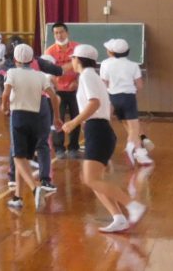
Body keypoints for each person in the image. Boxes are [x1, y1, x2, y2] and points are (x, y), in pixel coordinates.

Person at [61, 44, 147, 233]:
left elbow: (94, 103)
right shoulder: (91, 76)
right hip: (98, 131)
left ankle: (133, 206)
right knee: (91, 178)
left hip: (98, 131)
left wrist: (73, 122)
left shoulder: (87, 76)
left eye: (73, 58)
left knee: (90, 179)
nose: (71, 61)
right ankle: (118, 218)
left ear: (78, 60)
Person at [2, 43, 62, 212]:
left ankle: (35, 189)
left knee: (18, 157)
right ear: (32, 59)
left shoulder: (12, 73)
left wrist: (4, 107)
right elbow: (53, 97)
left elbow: (6, 93)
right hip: (36, 118)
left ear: (15, 59)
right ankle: (17, 197)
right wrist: (57, 117)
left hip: (19, 116)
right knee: (24, 158)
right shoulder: (41, 76)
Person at [100, 38, 152, 166]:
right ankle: (130, 147)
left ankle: (139, 152)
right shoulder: (133, 65)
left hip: (112, 98)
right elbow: (139, 85)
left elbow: (103, 83)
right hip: (129, 97)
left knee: (125, 125)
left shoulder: (105, 64)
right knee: (134, 128)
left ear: (111, 52)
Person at [45, 22, 81, 158]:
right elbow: (48, 72)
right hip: (58, 91)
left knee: (76, 117)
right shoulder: (50, 51)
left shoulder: (77, 48)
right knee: (57, 118)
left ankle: (73, 147)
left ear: (67, 32)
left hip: (75, 90)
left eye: (61, 32)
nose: (59, 35)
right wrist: (54, 85)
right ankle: (59, 147)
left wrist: (77, 81)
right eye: (56, 33)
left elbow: (83, 67)